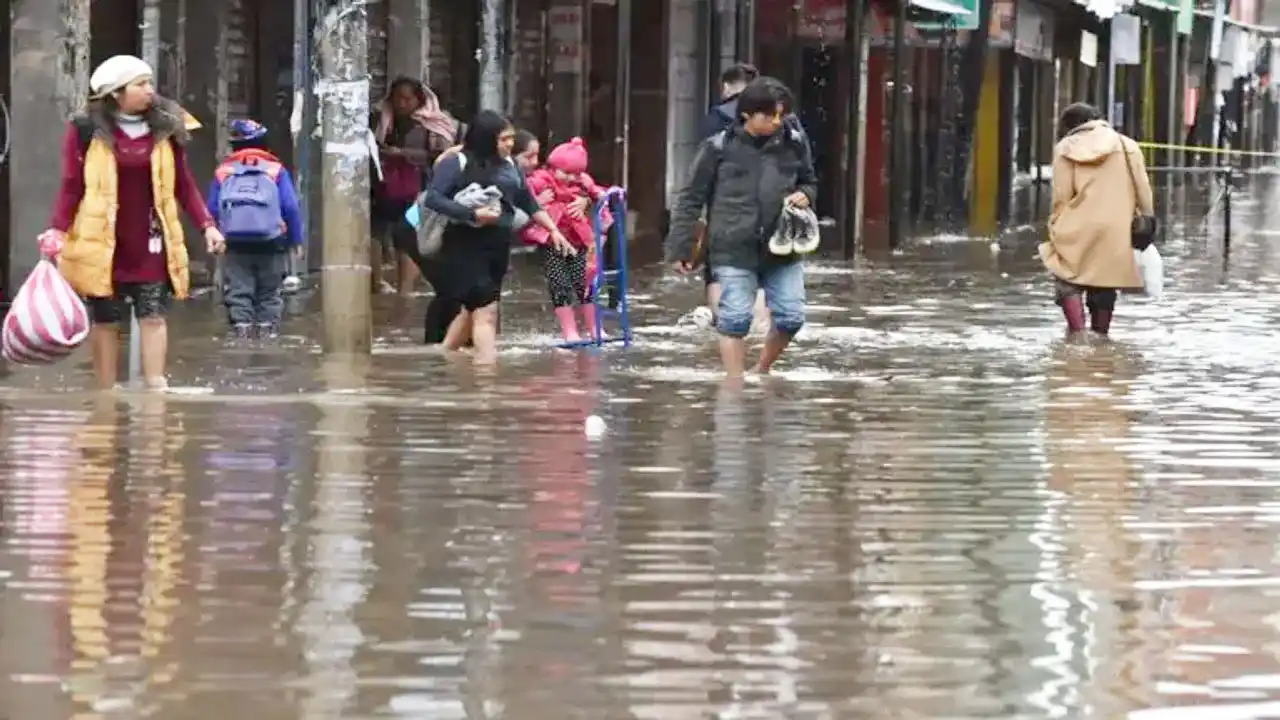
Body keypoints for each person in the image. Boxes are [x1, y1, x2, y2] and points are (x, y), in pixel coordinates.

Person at [38, 54, 224, 390]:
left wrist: (207, 224)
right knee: (106, 318)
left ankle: (156, 387)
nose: (149, 90)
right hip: (101, 239)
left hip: (151, 239)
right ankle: (105, 392)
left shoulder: (167, 125)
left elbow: (184, 184)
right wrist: (58, 229)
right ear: (115, 93)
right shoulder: (85, 129)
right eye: (140, 84)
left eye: (149, 82)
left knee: (153, 313)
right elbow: (72, 184)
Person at [665, 77, 817, 378]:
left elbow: (809, 181)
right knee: (734, 319)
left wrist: (807, 194)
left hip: (782, 246)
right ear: (747, 113)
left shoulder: (795, 144)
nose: (777, 122)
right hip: (732, 246)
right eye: (769, 115)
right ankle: (734, 385)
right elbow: (691, 198)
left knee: (791, 316)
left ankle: (761, 370)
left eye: (781, 114)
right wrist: (681, 247)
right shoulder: (717, 148)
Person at [419, 111, 573, 363]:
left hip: (498, 245)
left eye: (511, 139)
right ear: (485, 138)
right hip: (464, 244)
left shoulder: (510, 165)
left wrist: (553, 230)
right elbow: (435, 198)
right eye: (504, 139)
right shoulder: (456, 162)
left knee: (473, 310)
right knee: (487, 311)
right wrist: (472, 213)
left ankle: (442, 357)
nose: (510, 145)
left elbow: (528, 201)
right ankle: (487, 376)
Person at [1041, 102, 1150, 336]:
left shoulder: (1065, 148)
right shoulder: (1127, 145)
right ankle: (1101, 338)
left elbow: (1061, 195)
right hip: (1115, 228)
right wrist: (1147, 219)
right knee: (1104, 283)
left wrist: (1055, 224)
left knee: (1066, 278)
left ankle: (1077, 334)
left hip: (1076, 224)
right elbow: (1143, 191)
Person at [207, 118, 304, 338]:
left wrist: (213, 234)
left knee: (239, 290)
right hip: (272, 242)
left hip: (234, 243)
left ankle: (241, 335)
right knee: (270, 292)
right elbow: (290, 207)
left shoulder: (223, 171)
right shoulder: (276, 170)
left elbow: (212, 208)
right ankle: (266, 337)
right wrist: (295, 240)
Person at [371, 77, 460, 296]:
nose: (402, 104)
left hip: (418, 187)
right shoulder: (381, 118)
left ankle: (405, 291)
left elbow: (443, 155)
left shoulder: (434, 123)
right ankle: (377, 283)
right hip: (384, 186)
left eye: (407, 99)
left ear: (418, 100)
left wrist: (403, 154)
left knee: (407, 236)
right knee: (376, 233)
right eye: (397, 98)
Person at [519, 137, 609, 342]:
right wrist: (537, 202)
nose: (571, 178)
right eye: (566, 173)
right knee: (560, 284)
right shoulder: (541, 180)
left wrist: (589, 199)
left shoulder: (583, 183)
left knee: (586, 283)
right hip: (554, 242)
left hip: (579, 241)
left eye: (576, 173)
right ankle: (570, 331)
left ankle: (595, 328)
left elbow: (601, 195)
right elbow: (523, 194)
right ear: (553, 166)